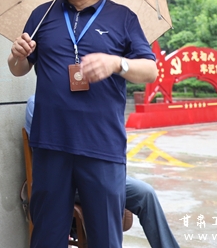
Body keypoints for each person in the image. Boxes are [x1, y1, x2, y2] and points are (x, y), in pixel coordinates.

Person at [8, 0, 158, 248]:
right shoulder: (42, 14)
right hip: (51, 143)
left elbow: (150, 71)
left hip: (101, 144)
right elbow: (19, 69)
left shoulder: (123, 17)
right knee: (46, 235)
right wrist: (16, 56)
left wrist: (117, 63)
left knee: (105, 236)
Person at [25, 95, 180, 248]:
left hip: (100, 170)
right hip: (65, 177)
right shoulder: (38, 103)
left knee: (146, 193)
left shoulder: (90, 97)